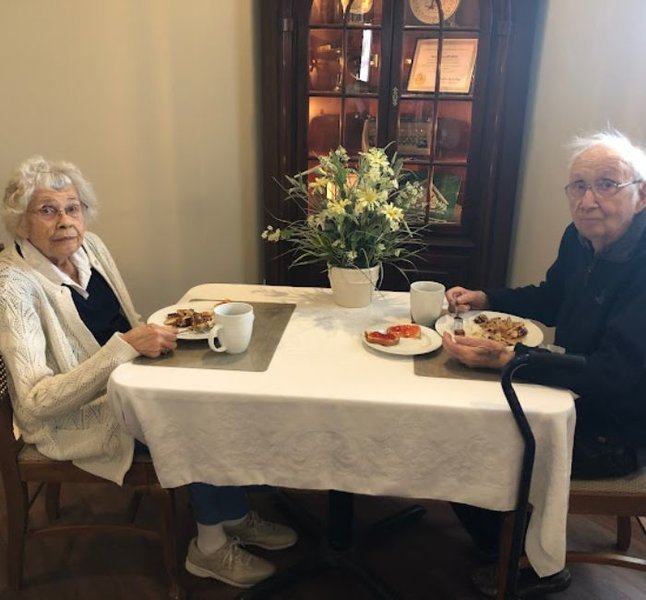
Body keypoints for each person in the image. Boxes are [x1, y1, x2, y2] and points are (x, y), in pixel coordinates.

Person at [0, 156, 297, 589]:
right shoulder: (12, 287)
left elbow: (126, 319)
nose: (65, 221)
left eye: (73, 207)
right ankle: (208, 549)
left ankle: (229, 512)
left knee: (216, 387)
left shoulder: (90, 247)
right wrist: (124, 350)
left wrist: (153, 344)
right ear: (20, 224)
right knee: (189, 416)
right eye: (47, 210)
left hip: (128, 378)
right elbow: (36, 403)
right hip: (72, 418)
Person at [442, 130, 646, 597]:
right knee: (465, 420)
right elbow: (553, 299)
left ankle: (533, 563)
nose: (588, 199)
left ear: (641, 195)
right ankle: (504, 538)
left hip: (623, 425)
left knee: (471, 445)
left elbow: (614, 376)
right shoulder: (578, 240)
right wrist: (487, 297)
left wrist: (513, 360)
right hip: (573, 390)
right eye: (578, 185)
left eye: (607, 184)